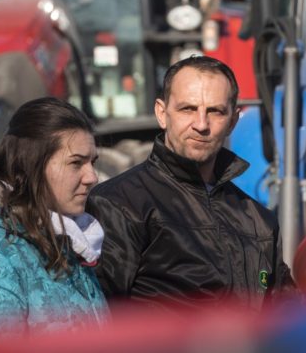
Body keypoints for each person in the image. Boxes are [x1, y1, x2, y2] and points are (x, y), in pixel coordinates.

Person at [86, 56, 294, 312]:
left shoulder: (258, 220)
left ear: (232, 122)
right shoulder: (119, 204)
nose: (201, 125)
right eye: (188, 109)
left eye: (215, 111)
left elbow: (289, 315)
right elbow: (98, 318)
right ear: (162, 114)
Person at [0, 97, 108, 339]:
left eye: (92, 162)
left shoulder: (64, 238)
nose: (92, 176)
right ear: (32, 165)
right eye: (76, 163)